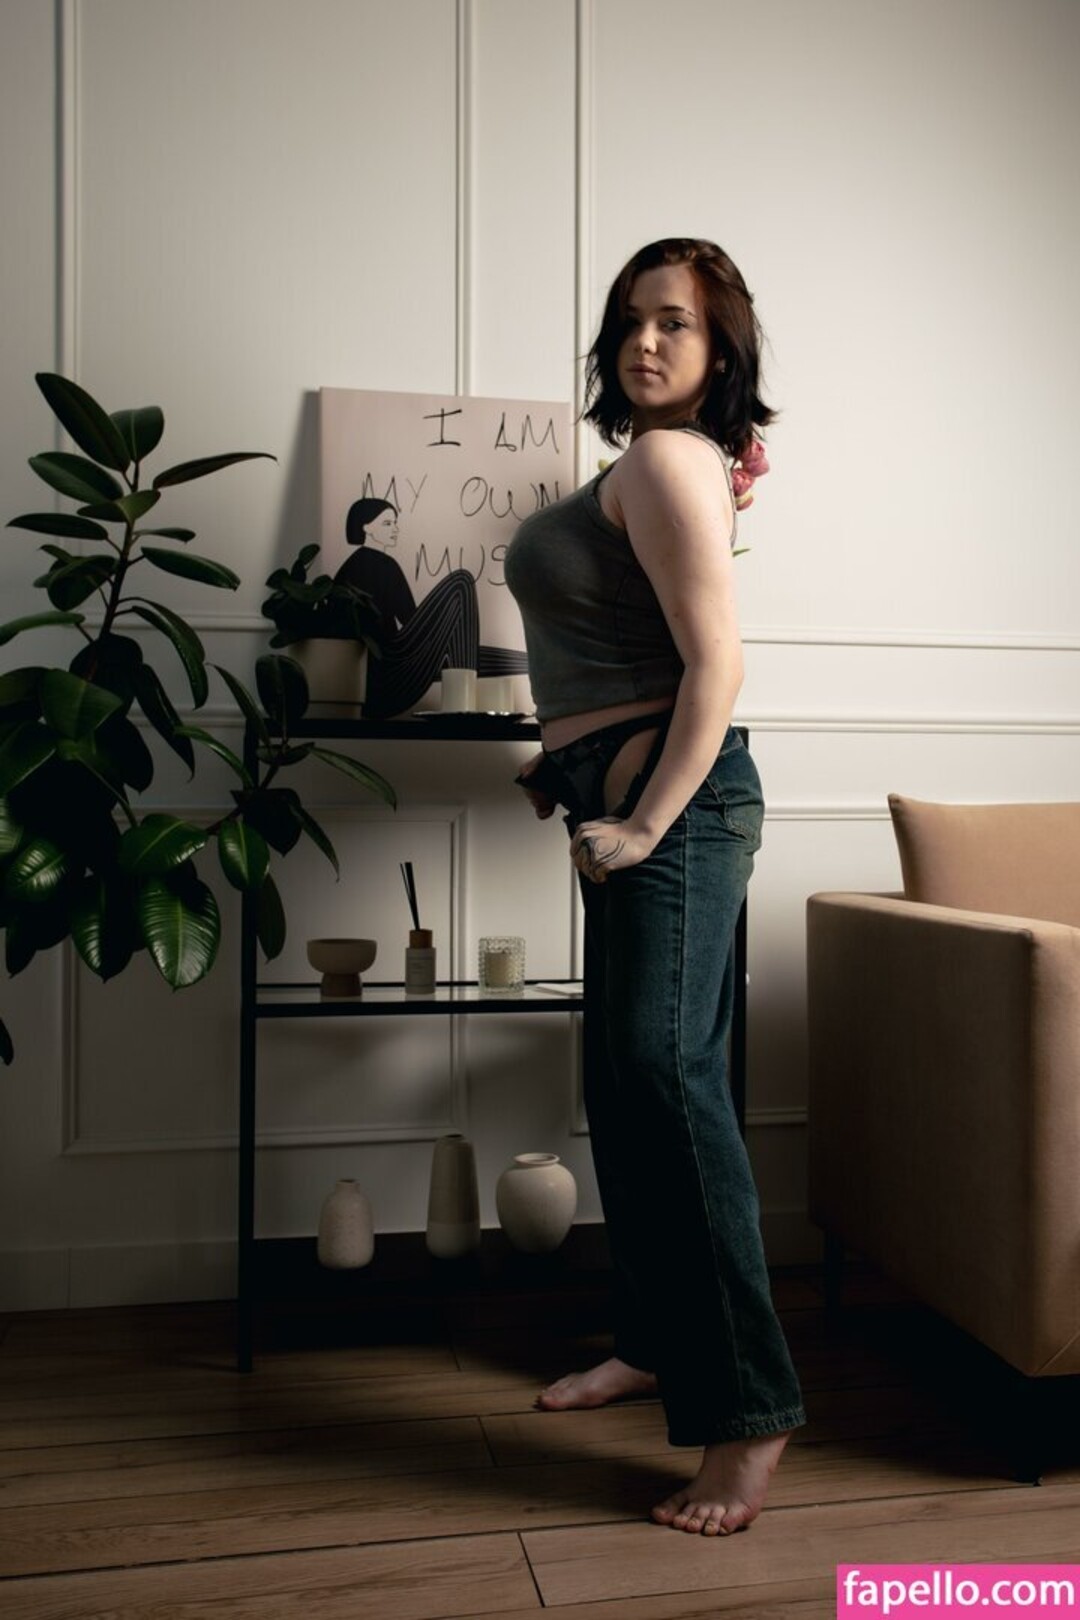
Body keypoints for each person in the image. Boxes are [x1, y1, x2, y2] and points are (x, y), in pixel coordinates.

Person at [503, 237, 805, 1537]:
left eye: (675, 322)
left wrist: (640, 821)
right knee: (630, 1092)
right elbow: (620, 653)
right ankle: (653, 1342)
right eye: (631, 318)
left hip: (672, 818)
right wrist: (567, 769)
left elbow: (715, 666)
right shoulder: (654, 464)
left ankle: (749, 1412)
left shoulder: (671, 460)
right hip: (624, 804)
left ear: (719, 346)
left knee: (668, 1089)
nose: (645, 341)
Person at [334, 498, 525, 718]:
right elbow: (411, 620)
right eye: (387, 523)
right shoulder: (378, 564)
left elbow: (411, 622)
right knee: (461, 583)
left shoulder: (358, 564)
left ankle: (469, 694)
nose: (395, 529)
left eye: (395, 523)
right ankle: (463, 705)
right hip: (388, 670)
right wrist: (444, 627)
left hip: (378, 677)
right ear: (366, 527)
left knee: (468, 646)